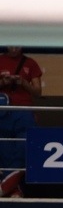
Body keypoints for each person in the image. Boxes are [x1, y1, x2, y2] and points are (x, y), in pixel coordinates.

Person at [0, 46, 43, 197]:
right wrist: (2, 82)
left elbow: (38, 92)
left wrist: (23, 83)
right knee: (4, 152)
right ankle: (14, 190)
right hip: (3, 111)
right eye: (11, 44)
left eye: (17, 45)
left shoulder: (30, 63)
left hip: (24, 111)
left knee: (24, 150)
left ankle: (4, 187)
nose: (14, 48)